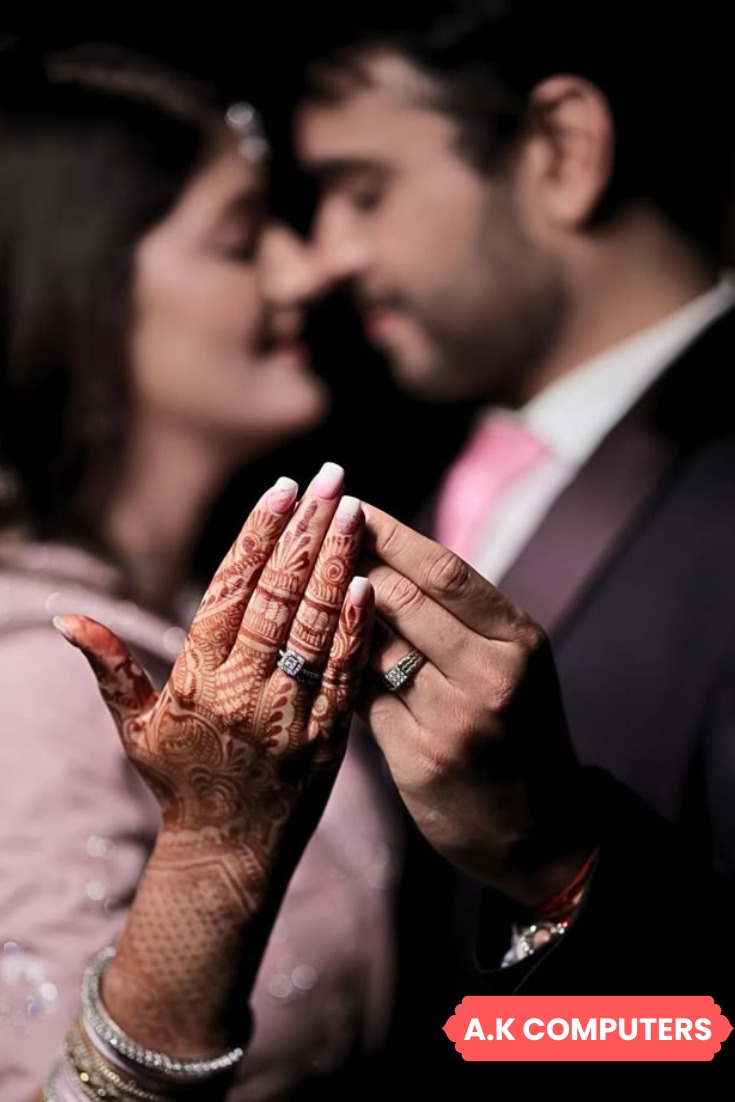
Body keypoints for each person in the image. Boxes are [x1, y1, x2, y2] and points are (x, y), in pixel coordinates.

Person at [256, 1, 735, 1079]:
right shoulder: (395, 458)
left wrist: (559, 870)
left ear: (561, 149)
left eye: (364, 190)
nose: (326, 256)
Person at [0, 42, 400, 1101]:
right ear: (87, 283)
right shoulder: (37, 682)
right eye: (240, 239)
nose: (305, 271)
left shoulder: (179, 608)